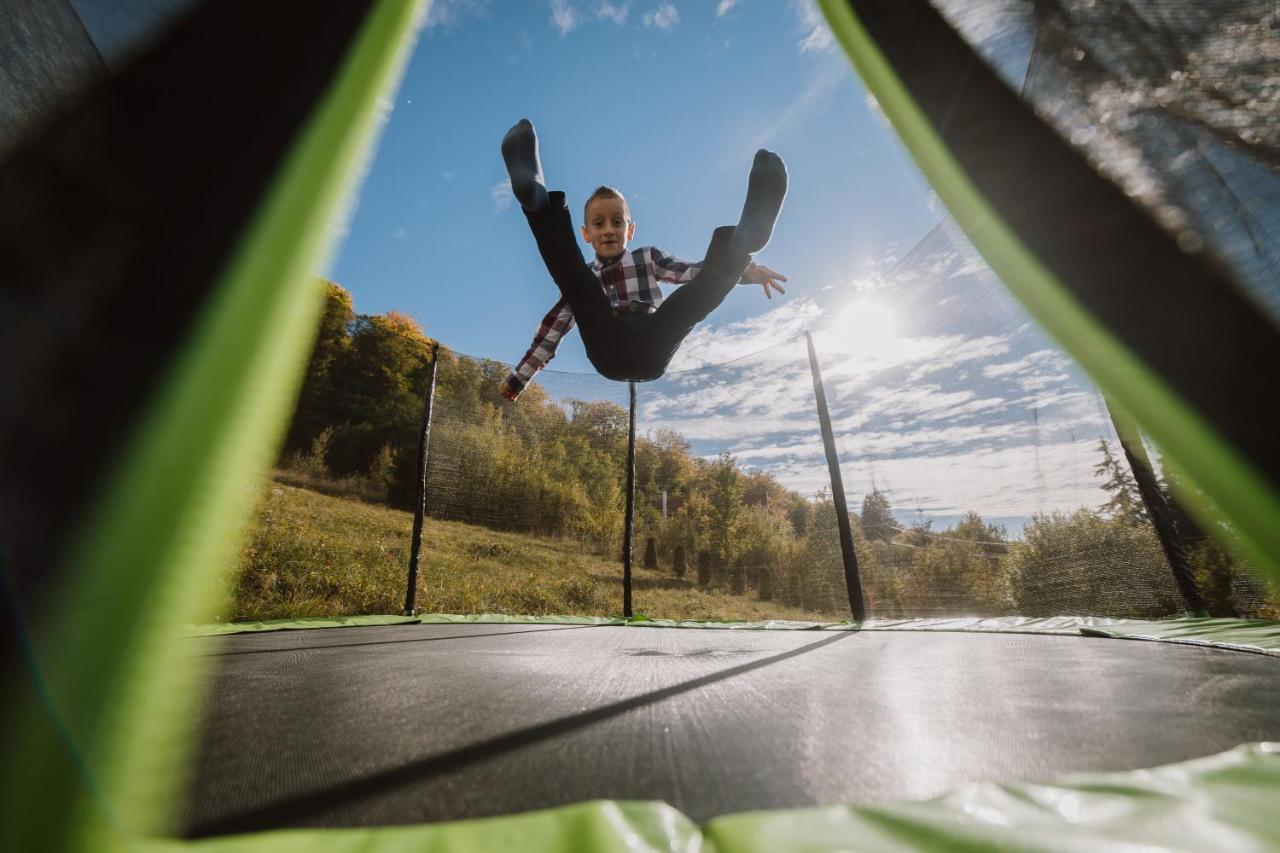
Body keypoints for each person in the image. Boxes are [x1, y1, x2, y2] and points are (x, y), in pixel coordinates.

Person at [498, 119, 788, 400]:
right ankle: (536, 200)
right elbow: (553, 330)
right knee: (576, 282)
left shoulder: (648, 258)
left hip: (653, 342)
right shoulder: (584, 281)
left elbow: (694, 275)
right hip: (607, 349)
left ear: (630, 230)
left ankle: (746, 239)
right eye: (599, 224)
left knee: (690, 304)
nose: (609, 229)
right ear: (586, 234)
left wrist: (746, 271)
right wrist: (519, 378)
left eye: (616, 222)